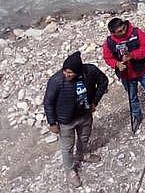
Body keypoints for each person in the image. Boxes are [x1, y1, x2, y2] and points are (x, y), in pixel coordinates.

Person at [43, 51, 108, 188]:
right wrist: (52, 122)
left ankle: (82, 154)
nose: (66, 75)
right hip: (65, 120)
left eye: (70, 73)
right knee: (67, 147)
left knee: (84, 137)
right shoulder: (56, 81)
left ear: (78, 72)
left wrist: (95, 101)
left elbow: (103, 82)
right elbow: (48, 102)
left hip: (84, 115)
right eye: (65, 71)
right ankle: (70, 170)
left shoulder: (89, 72)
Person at [102, 18, 145, 129]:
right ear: (112, 33)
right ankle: (137, 115)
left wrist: (133, 55)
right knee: (132, 97)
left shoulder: (136, 33)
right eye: (119, 32)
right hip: (126, 75)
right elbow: (107, 57)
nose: (123, 32)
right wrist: (116, 64)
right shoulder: (109, 43)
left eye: (123, 29)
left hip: (144, 70)